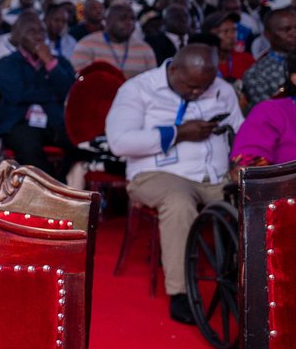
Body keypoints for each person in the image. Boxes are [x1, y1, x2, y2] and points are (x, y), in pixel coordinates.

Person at [103, 45, 243, 324]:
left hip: (216, 176)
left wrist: (239, 163)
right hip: (157, 174)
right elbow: (119, 142)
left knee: (252, 200)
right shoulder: (138, 89)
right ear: (174, 69)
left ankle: (253, 282)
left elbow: (240, 130)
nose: (197, 92)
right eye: (190, 86)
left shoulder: (222, 89)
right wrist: (177, 133)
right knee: (179, 202)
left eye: (204, 87)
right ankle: (182, 293)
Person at [0, 14, 76, 178]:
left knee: (79, 145)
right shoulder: (7, 63)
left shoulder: (60, 63)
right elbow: (17, 94)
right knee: (30, 148)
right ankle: (49, 189)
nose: (38, 36)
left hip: (54, 121)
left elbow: (69, 93)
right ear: (19, 36)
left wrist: (50, 64)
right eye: (31, 31)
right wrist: (53, 95)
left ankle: (63, 184)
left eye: (41, 31)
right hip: (20, 122)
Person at [72, 0, 157, 77]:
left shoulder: (144, 49)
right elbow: (78, 80)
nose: (129, 23)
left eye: (132, 19)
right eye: (123, 18)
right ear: (107, 20)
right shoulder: (86, 44)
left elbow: (152, 82)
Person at [239, 8, 296, 107]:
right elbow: (268, 111)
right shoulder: (257, 74)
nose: (295, 34)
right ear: (268, 35)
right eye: (287, 29)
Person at [202, 11, 254, 84]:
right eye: (225, 31)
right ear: (209, 36)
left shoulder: (246, 60)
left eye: (234, 30)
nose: (232, 35)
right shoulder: (202, 65)